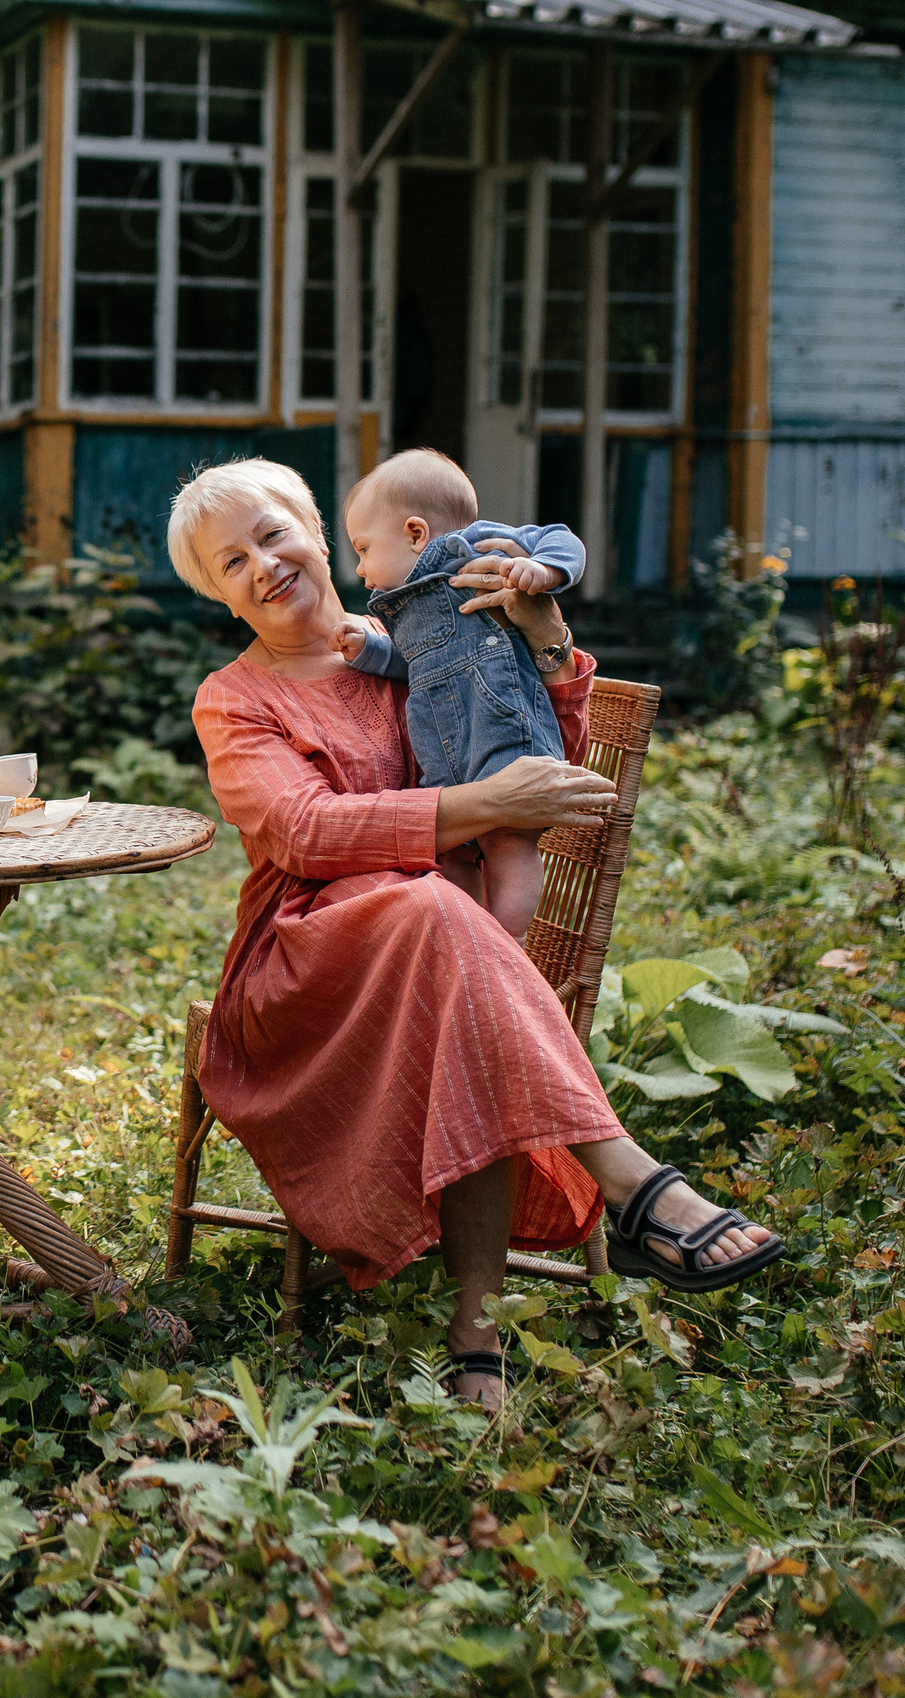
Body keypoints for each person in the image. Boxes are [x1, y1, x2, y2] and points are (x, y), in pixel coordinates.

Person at [170, 456, 785, 1410]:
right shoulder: (235, 698)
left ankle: (478, 1333)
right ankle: (628, 1179)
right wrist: (478, 802)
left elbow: (543, 757)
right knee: (435, 915)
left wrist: (545, 637)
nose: (263, 564)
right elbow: (304, 831)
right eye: (231, 562)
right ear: (220, 594)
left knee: (448, 941)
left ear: (320, 536)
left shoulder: (424, 627)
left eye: (273, 534)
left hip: (443, 946)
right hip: (308, 970)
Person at [334, 449, 584, 940]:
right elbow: (418, 662)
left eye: (363, 549)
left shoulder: (471, 548)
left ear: (414, 533)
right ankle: (466, 945)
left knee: (510, 846)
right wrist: (370, 650)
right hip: (446, 758)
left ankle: (504, 947)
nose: (361, 569)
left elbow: (561, 538)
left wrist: (546, 571)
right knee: (451, 854)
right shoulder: (404, 608)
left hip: (505, 736)